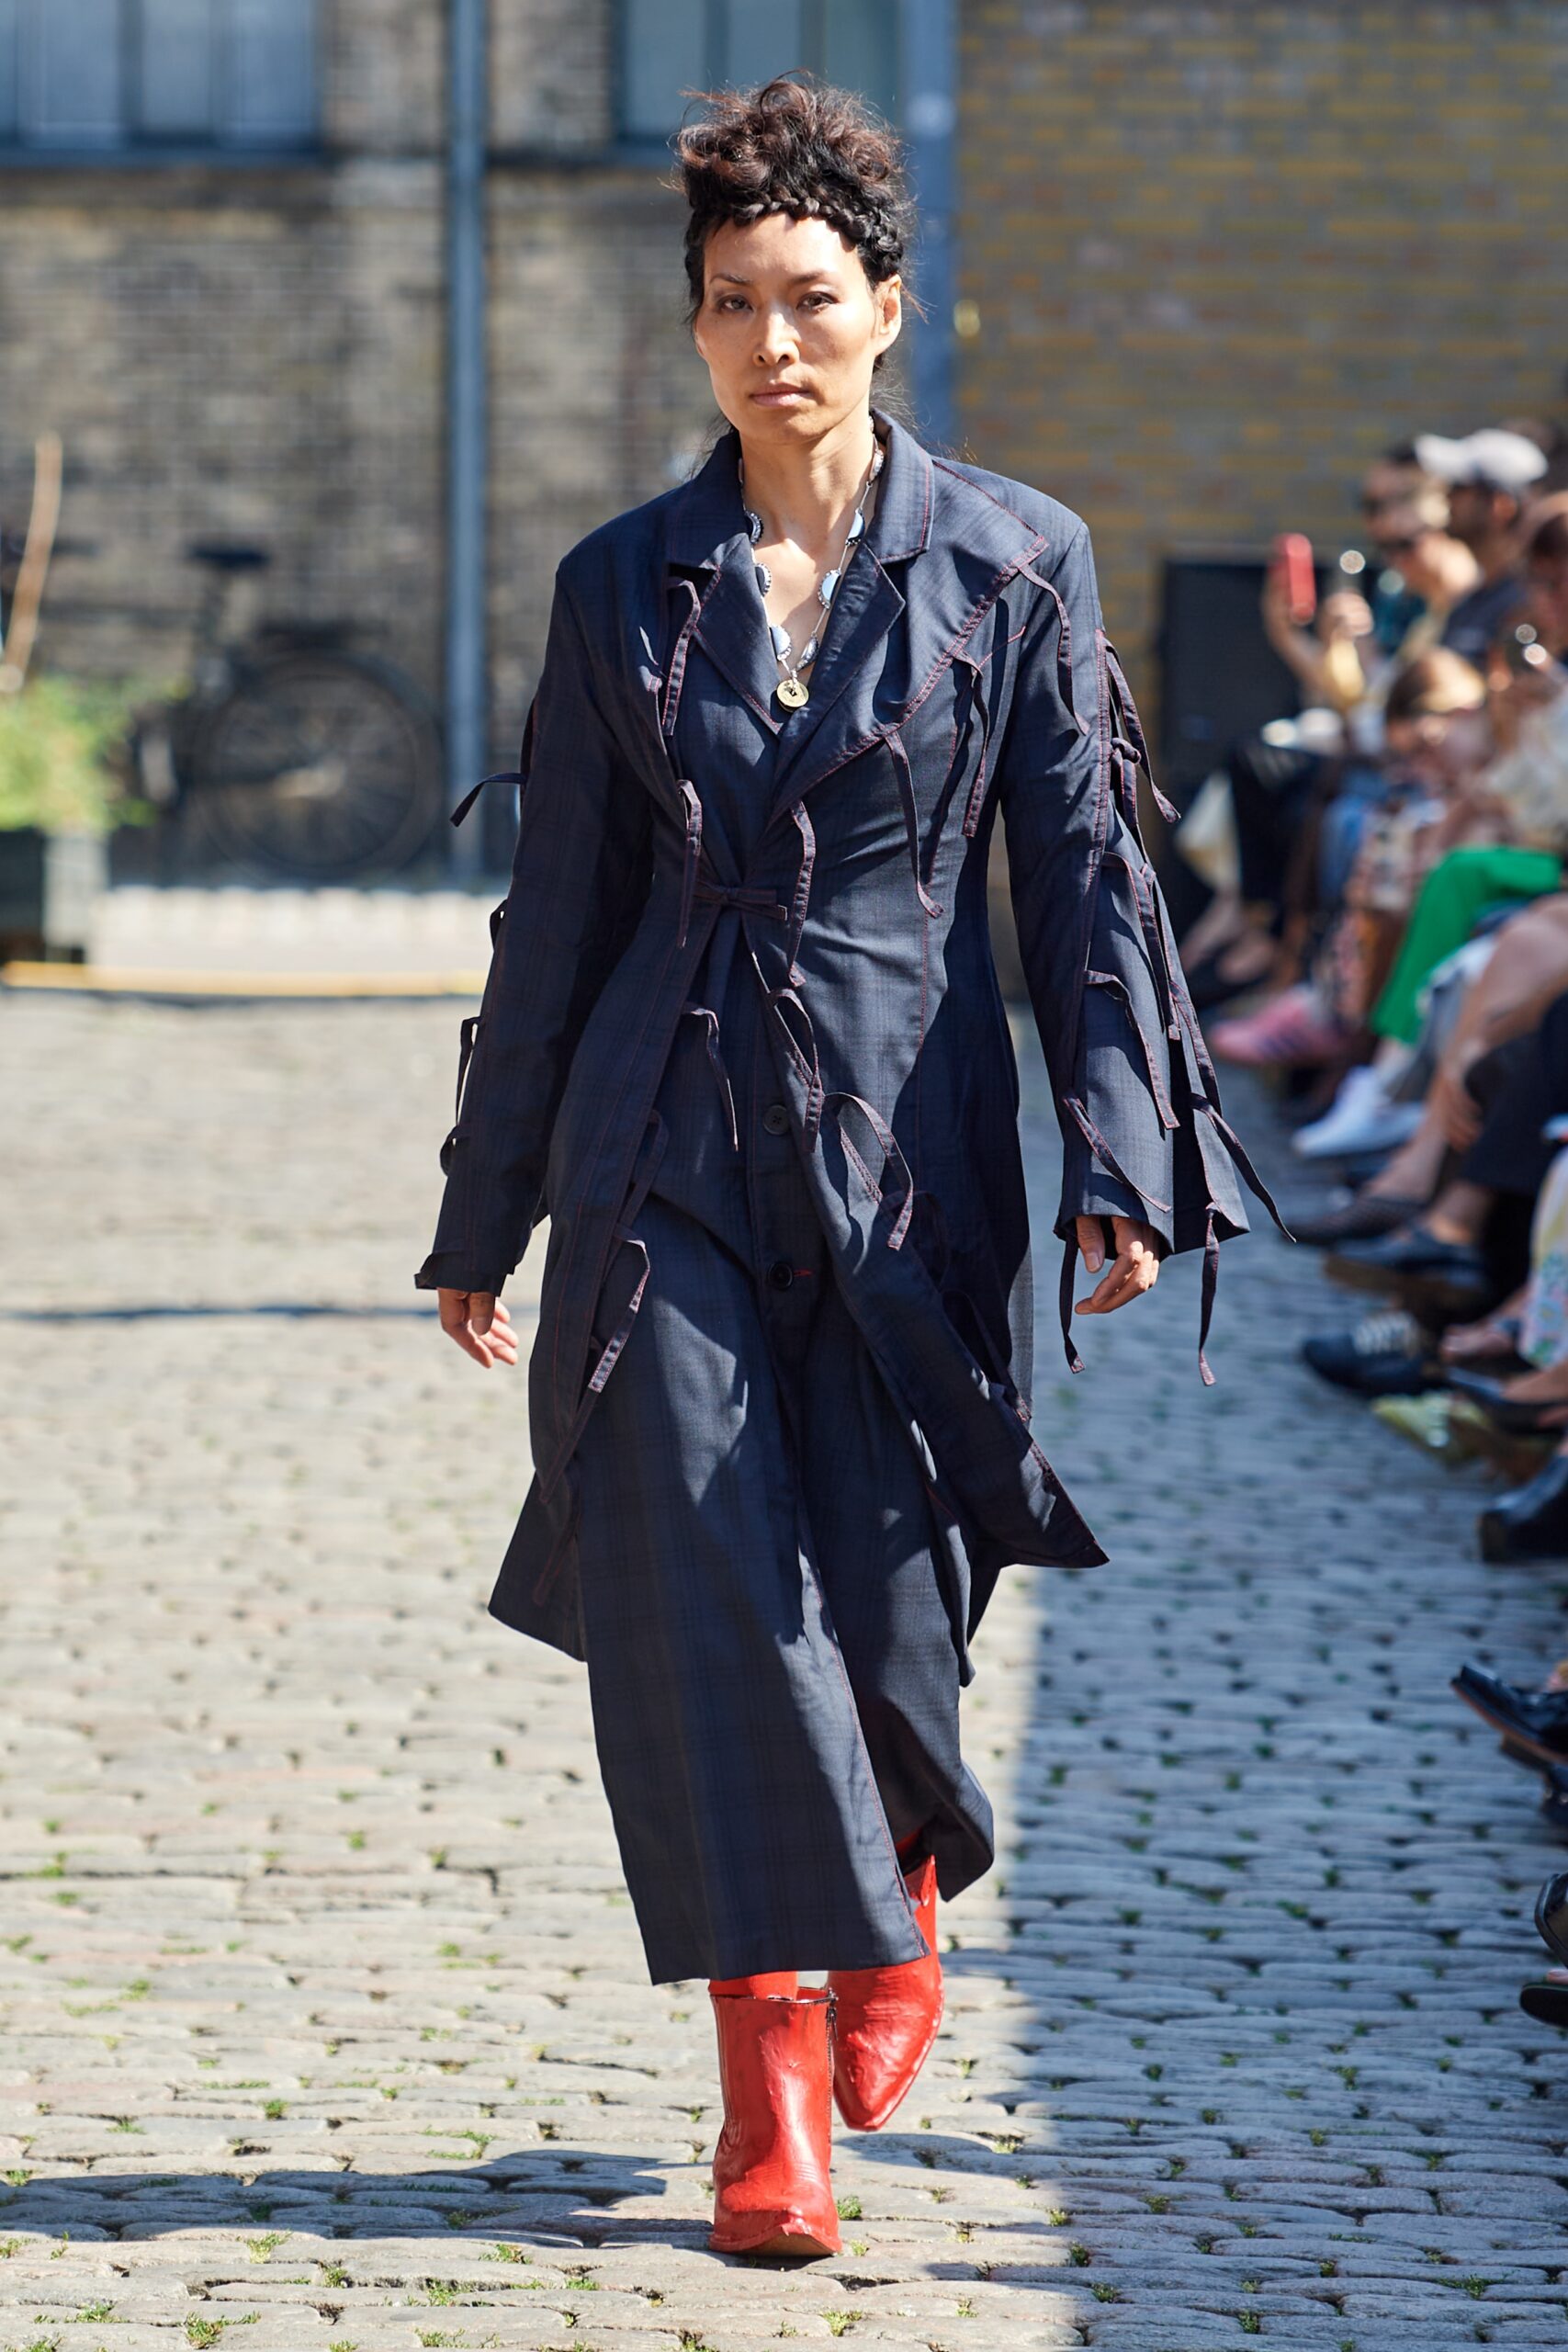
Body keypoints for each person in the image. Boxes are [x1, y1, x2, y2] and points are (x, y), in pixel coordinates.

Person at [416, 76, 1269, 2261]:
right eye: (729, 307)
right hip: (659, 1142)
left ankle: (896, 1874)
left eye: (809, 299)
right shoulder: (627, 583)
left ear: (888, 305)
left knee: (887, 1599)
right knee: (701, 1579)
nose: (769, 342)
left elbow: (1084, 883)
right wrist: (484, 1199)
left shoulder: (1012, 558)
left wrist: (1118, 1153)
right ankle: (765, 2078)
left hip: (912, 1160)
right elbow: (563, 917)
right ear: (690, 332)